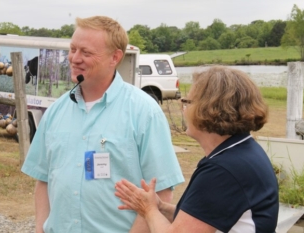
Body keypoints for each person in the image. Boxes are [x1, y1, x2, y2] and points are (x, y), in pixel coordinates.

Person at [21, 16, 184, 233]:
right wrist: (40, 229)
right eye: (73, 49)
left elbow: (160, 192)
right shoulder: (55, 112)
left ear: (114, 57)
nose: (74, 58)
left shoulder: (144, 112)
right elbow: (43, 180)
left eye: (86, 52)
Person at [115, 66, 279, 233]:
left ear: (210, 109)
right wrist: (160, 207)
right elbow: (201, 218)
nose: (183, 109)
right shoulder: (240, 153)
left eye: (187, 102)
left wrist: (148, 210)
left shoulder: (223, 171)